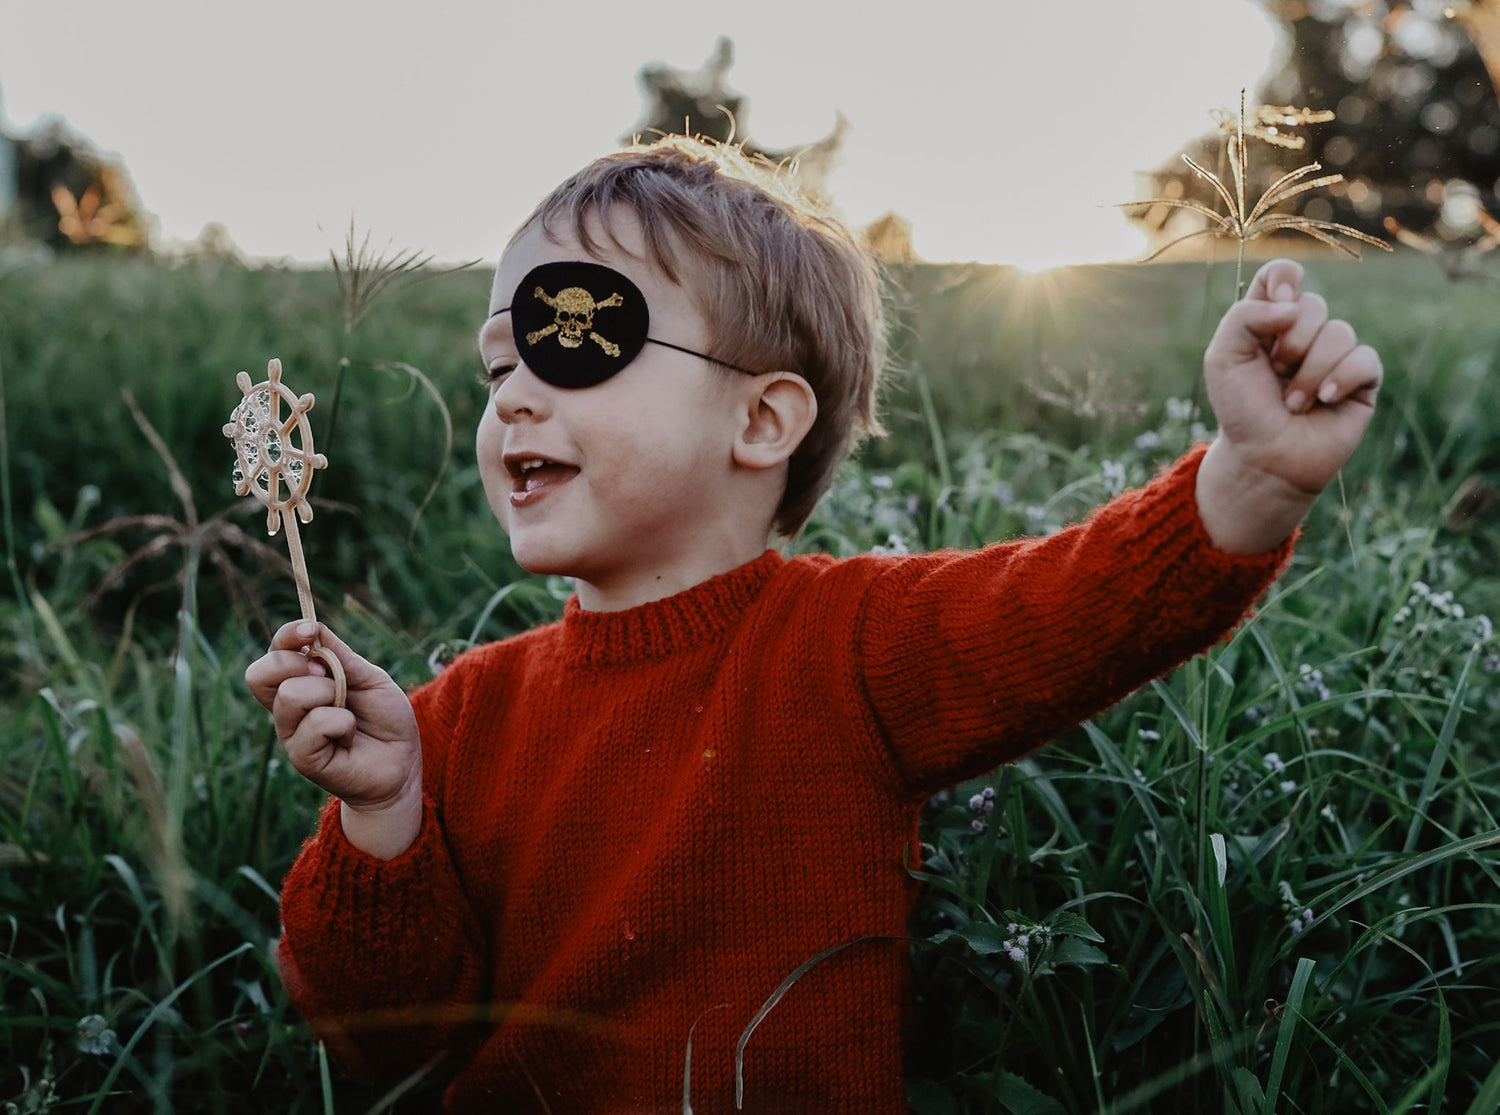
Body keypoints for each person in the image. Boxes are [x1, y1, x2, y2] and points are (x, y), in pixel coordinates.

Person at [246, 135, 1382, 1113]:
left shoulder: (849, 648)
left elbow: (1074, 605)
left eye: (574, 341)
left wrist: (1250, 480)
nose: (513, 397)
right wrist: (383, 814)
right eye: (500, 363)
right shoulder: (454, 722)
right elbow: (384, 1039)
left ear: (761, 419)